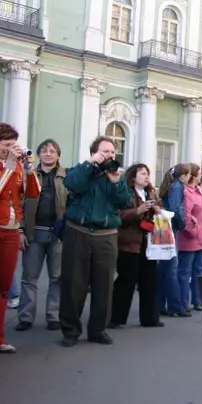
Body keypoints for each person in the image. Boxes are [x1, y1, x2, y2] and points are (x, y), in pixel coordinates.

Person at [58, 136, 132, 347]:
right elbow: (71, 184)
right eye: (105, 151)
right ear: (94, 153)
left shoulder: (117, 176)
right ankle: (70, 331)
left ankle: (98, 330)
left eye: (112, 152)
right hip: (78, 232)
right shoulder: (82, 170)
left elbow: (125, 201)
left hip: (106, 236)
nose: (109, 155)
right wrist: (90, 164)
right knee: (73, 284)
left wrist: (116, 182)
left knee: (104, 286)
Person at [16, 139, 68, 332]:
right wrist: (21, 230)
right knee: (29, 278)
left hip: (57, 234)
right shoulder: (28, 175)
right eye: (44, 150)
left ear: (58, 155)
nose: (48, 153)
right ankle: (26, 317)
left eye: (52, 150)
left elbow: (71, 203)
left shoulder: (66, 176)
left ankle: (53, 316)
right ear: (38, 155)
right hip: (34, 233)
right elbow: (20, 203)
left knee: (57, 277)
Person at [0, 123, 41, 353]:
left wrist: (28, 169)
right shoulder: (6, 166)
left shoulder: (15, 167)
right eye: (6, 145)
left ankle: (0, 338)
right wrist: (8, 166)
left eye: (12, 145)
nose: (10, 149)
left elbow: (33, 193)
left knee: (4, 287)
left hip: (11, 231)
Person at [109, 163, 163, 329]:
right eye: (142, 174)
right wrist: (138, 211)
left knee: (149, 281)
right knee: (126, 281)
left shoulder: (151, 192)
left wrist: (157, 209)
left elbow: (160, 210)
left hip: (149, 243)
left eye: (148, 174)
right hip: (129, 242)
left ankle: (149, 318)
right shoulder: (127, 193)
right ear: (133, 177)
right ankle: (115, 317)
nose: (146, 177)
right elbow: (121, 216)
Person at [176, 163, 202, 312]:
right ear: (193, 176)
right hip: (190, 238)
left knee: (199, 270)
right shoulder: (187, 193)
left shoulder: (198, 191)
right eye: (199, 173)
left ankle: (198, 300)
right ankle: (183, 302)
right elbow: (186, 215)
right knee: (185, 271)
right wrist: (192, 232)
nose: (201, 176)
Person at [157, 164, 189, 317]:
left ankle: (159, 304)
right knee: (171, 268)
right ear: (183, 175)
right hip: (169, 228)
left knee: (163, 268)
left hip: (163, 226)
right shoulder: (178, 187)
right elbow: (176, 209)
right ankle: (175, 306)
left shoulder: (170, 185)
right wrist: (182, 224)